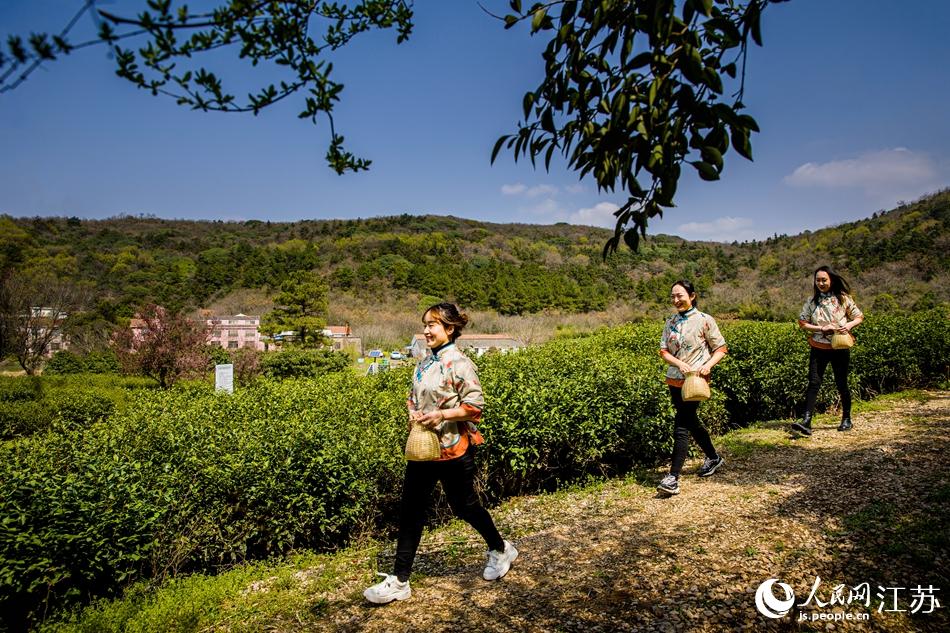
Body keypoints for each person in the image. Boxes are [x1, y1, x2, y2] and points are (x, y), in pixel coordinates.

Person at [364, 302, 517, 604]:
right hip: (423, 449)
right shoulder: (423, 362)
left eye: (432, 325)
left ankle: (500, 549)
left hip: (453, 449)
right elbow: (413, 397)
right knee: (410, 511)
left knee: (464, 507)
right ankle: (400, 581)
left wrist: (442, 416)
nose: (425, 330)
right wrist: (413, 412)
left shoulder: (459, 363)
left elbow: (475, 406)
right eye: (425, 324)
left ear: (449, 329)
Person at [657, 280, 728, 496]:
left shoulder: (705, 320)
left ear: (692, 296)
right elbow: (663, 351)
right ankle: (714, 457)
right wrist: (678, 363)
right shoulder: (670, 322)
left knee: (682, 424)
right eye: (673, 296)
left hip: (695, 380)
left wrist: (707, 365)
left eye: (680, 295)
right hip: (674, 379)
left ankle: (673, 477)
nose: (676, 300)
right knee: (690, 421)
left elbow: (721, 348)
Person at [791, 266, 864, 436]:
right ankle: (806, 421)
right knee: (814, 382)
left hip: (840, 346)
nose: (821, 283)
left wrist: (848, 325)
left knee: (841, 383)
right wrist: (820, 329)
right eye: (818, 280)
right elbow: (802, 322)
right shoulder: (811, 301)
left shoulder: (844, 299)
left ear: (831, 280)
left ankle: (846, 418)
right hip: (818, 346)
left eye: (824, 280)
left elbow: (858, 316)